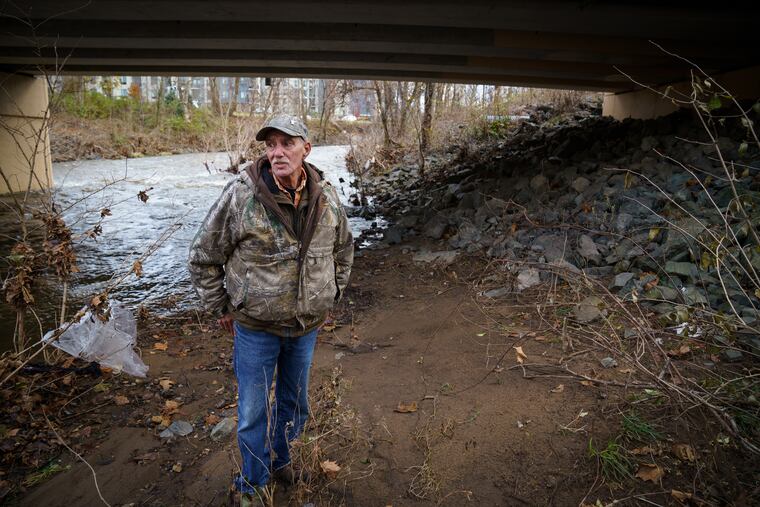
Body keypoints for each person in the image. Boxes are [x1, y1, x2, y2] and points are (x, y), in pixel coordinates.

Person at [188, 114, 354, 503]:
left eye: (287, 143)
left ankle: (282, 460)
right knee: (252, 412)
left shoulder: (327, 196)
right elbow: (203, 257)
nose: (277, 153)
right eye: (270, 145)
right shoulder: (241, 195)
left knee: (295, 403)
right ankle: (254, 484)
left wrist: (331, 295)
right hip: (255, 328)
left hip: (306, 325)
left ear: (306, 149)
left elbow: (344, 250)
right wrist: (221, 308)